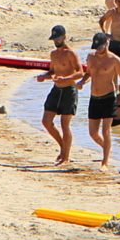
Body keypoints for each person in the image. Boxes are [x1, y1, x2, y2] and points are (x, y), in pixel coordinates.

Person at [77, 33, 120, 171]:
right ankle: (107, 149)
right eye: (96, 47)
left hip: (108, 98)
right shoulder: (91, 57)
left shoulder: (114, 59)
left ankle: (104, 163)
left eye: (100, 47)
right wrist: (81, 82)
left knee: (106, 131)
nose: (98, 50)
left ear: (106, 44)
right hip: (94, 98)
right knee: (93, 133)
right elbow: (88, 73)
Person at [36, 25, 83, 165]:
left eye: (58, 38)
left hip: (69, 90)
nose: (56, 41)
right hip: (56, 89)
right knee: (46, 121)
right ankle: (64, 148)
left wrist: (66, 78)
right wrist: (44, 76)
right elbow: (52, 71)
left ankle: (66, 157)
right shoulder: (53, 54)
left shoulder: (71, 53)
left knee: (65, 124)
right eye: (54, 39)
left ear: (64, 37)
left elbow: (80, 72)